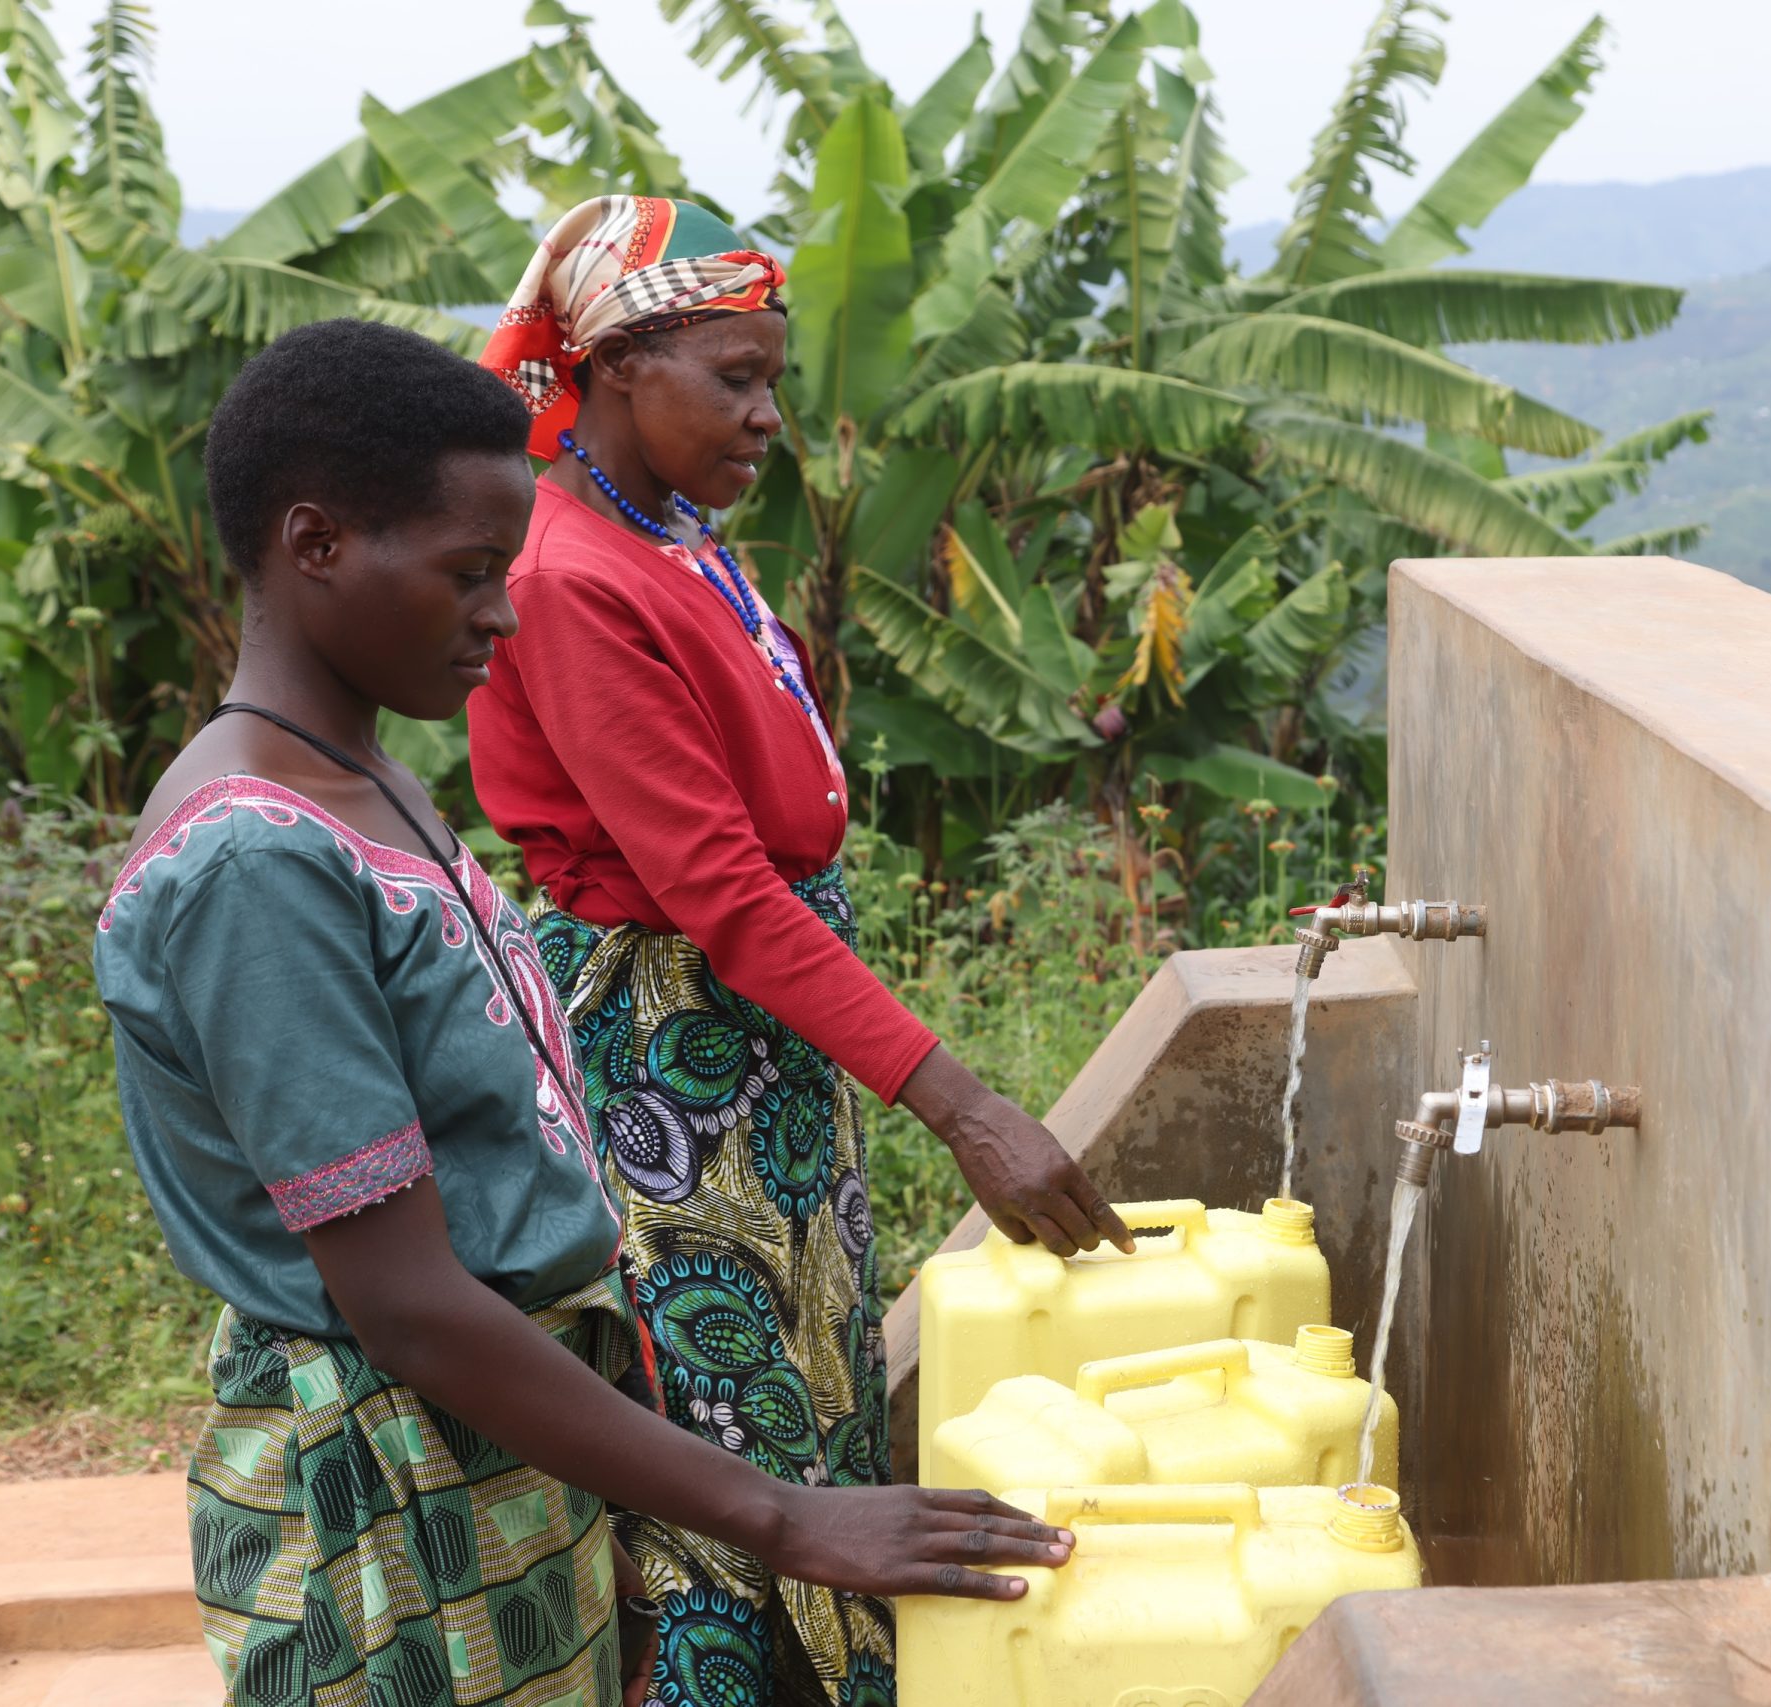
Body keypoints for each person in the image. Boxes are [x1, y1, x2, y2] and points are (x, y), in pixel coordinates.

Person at [94, 319, 1077, 1707]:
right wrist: (786, 1517)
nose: (504, 613)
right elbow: (411, 1308)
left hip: (499, 1446)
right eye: (468, 575)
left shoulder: (361, 780)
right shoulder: (256, 862)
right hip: (394, 1485)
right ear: (314, 544)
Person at [469, 196, 1133, 1705]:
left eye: (773, 377)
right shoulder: (570, 577)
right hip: (668, 1065)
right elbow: (722, 894)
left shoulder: (665, 531)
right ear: (620, 368)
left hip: (751, 1060)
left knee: (813, 1429)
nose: (770, 416)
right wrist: (965, 1107)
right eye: (735, 379)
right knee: (730, 1488)